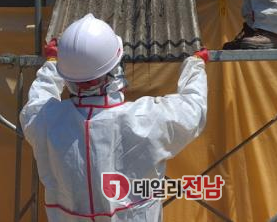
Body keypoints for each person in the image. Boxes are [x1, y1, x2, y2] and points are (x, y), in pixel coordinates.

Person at [20, 14, 208, 221]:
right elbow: (193, 109)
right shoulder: (146, 118)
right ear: (115, 68)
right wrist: (195, 65)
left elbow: (37, 100)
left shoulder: (46, 120)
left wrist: (52, 65)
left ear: (68, 77)